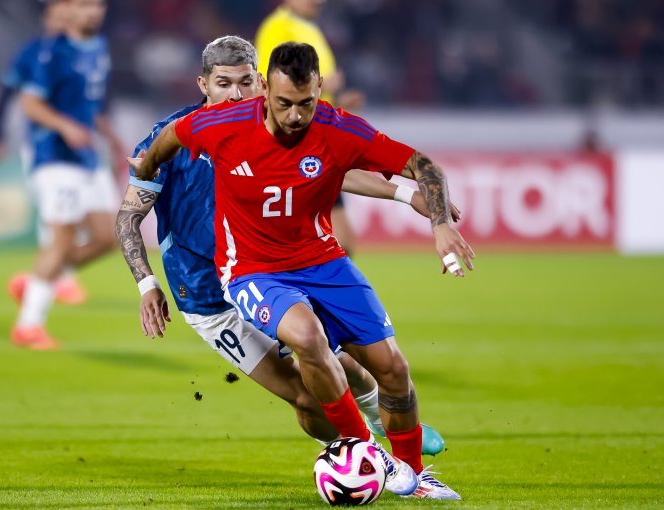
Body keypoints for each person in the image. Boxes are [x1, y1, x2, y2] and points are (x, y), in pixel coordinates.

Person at [131, 42, 474, 499]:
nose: (295, 116)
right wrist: (147, 169)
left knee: (390, 367)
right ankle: (373, 455)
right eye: (285, 104)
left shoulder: (332, 126)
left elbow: (405, 165)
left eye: (306, 104)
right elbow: (167, 141)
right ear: (264, 92)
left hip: (321, 260)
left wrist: (437, 220)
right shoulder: (217, 125)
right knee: (308, 347)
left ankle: (411, 477)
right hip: (242, 274)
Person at [12, 0, 123, 349]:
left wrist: (112, 138)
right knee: (61, 241)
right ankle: (28, 327)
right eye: (83, 5)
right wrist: (63, 126)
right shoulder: (50, 53)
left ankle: (33, 282)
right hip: (55, 158)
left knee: (109, 237)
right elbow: (29, 104)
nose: (91, 11)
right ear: (68, 11)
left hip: (88, 157)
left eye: (96, 5)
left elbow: (90, 105)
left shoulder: (100, 49)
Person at [0, 0, 94, 306]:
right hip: (44, 148)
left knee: (81, 217)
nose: (63, 20)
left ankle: (44, 278)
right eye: (58, 15)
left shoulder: (84, 53)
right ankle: (59, 282)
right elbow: (7, 93)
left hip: (81, 149)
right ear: (47, 19)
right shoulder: (32, 53)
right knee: (56, 216)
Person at [255, 0, 365, 257]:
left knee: (342, 241)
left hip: (320, 137)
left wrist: (335, 102)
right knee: (334, 241)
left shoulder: (308, 27)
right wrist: (325, 88)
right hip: (296, 140)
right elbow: (269, 84)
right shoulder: (277, 27)